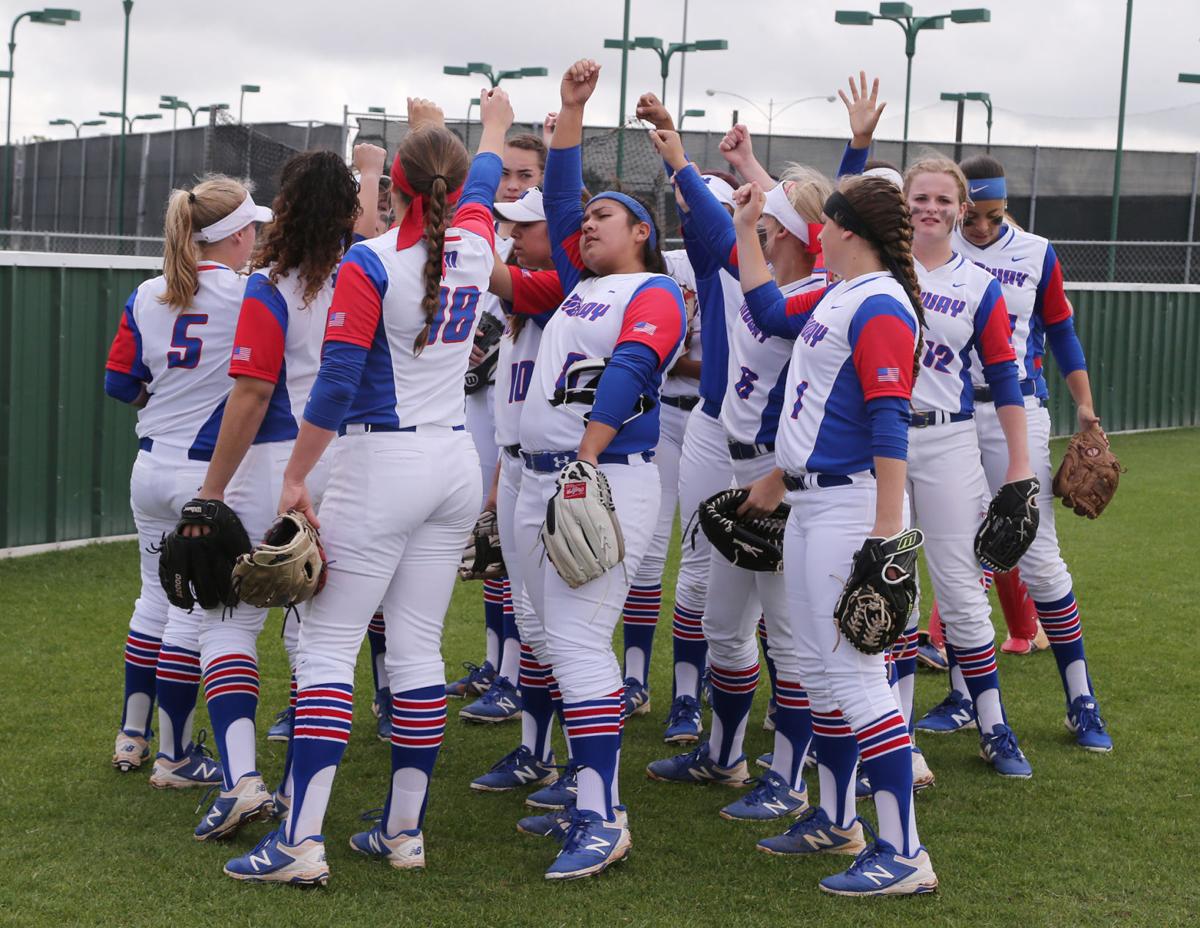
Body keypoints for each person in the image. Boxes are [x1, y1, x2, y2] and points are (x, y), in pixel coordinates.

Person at [222, 90, 515, 885]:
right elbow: (482, 184)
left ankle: (299, 842)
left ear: (396, 190)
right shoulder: (480, 244)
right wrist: (488, 128)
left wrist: (292, 475)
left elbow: (334, 387)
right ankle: (402, 833)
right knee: (417, 647)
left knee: (325, 647)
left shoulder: (370, 260)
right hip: (455, 461)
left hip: (379, 464)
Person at [731, 174, 937, 896]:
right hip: (815, 502)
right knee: (824, 674)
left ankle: (905, 852)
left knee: (855, 679)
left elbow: (888, 420)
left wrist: (886, 535)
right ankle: (836, 817)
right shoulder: (841, 293)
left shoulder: (879, 300)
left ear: (847, 228)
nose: (815, 227)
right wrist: (779, 481)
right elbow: (765, 311)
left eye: (829, 219)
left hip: (854, 510)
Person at [509, 58, 685, 880]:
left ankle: (601, 814)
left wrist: (583, 458)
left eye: (605, 217)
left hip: (602, 473)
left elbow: (632, 372)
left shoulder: (652, 291)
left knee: (578, 641)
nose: (586, 225)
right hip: (537, 475)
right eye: (586, 219)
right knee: (546, 637)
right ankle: (587, 790)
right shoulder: (582, 281)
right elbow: (557, 199)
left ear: (641, 230)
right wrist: (571, 113)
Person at [179, 148, 369, 840]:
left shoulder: (271, 283)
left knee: (229, 620)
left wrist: (210, 491)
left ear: (284, 211)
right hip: (351, 462)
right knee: (317, 634)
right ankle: (299, 792)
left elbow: (253, 391)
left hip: (278, 462)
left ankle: (241, 781)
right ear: (350, 214)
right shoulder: (370, 273)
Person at [643, 124, 831, 823]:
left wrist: (682, 164)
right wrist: (679, 169)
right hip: (732, 460)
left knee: (786, 631)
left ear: (788, 233)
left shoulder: (815, 296)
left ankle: (790, 775)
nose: (756, 224)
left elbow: (771, 311)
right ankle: (725, 756)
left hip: (785, 480)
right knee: (723, 622)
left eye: (769, 219)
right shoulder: (755, 269)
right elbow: (713, 225)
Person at [919, 154, 1112, 752]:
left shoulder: (1035, 251)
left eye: (990, 216)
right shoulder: (928, 247)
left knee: (1037, 555)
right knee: (960, 555)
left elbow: (1060, 327)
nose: (976, 227)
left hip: (1015, 410)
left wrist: (1084, 405)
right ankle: (961, 695)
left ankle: (1081, 699)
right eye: (968, 216)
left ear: (1008, 207)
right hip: (947, 413)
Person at [873, 156, 1035, 781]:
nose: (931, 209)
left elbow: (1005, 377)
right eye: (921, 198)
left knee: (963, 593)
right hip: (881, 445)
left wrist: (1019, 467)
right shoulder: (879, 270)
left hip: (948, 440)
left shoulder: (978, 283)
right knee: (893, 590)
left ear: (961, 207)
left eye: (944, 200)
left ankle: (993, 725)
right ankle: (898, 736)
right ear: (904, 203)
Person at [103, 175, 268, 786]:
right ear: (237, 234)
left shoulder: (149, 292)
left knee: (155, 597)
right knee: (195, 616)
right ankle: (174, 756)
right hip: (209, 472)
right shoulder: (252, 294)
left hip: (151, 464)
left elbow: (120, 383)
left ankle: (132, 735)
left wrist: (163, 396)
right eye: (252, 228)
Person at [453, 129, 552, 725]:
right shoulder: (502, 248)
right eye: (505, 176)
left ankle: (519, 674)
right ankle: (499, 665)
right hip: (487, 407)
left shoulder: (523, 261)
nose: (512, 187)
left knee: (522, 560)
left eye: (525, 176)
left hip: (522, 421)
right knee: (496, 542)